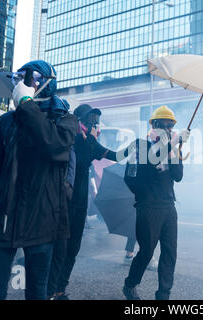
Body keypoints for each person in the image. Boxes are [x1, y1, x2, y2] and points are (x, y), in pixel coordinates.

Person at [0, 60, 78, 300]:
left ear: (45, 81)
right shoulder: (6, 121)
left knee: (36, 291)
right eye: (18, 78)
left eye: (28, 77)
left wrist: (26, 104)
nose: (21, 83)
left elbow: (54, 146)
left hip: (41, 219)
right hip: (3, 217)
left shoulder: (64, 120)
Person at [47, 104, 122, 300]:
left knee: (73, 248)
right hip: (62, 202)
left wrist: (135, 148)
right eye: (91, 121)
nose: (94, 126)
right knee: (59, 249)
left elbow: (114, 155)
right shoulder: (67, 139)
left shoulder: (91, 144)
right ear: (79, 121)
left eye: (96, 123)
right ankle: (49, 289)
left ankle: (60, 289)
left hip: (80, 204)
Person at [122, 105, 190, 300]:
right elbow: (135, 176)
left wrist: (175, 151)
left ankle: (163, 295)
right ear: (154, 126)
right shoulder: (141, 147)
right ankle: (130, 284)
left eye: (170, 126)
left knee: (169, 253)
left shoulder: (172, 149)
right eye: (163, 125)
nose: (167, 129)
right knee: (146, 252)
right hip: (148, 207)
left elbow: (178, 176)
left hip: (169, 207)